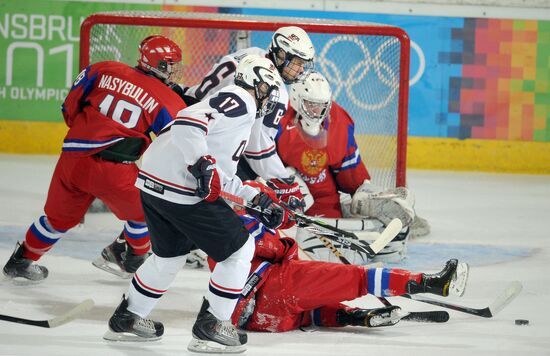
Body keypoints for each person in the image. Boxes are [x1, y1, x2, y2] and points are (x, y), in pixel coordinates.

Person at [103, 55, 292, 354]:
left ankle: (127, 318)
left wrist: (253, 197)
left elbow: (220, 175)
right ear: (258, 85)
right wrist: (200, 162)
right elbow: (187, 125)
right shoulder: (240, 98)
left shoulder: (236, 109)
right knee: (240, 249)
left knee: (168, 257)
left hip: (155, 184)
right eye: (270, 91)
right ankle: (213, 325)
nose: (270, 100)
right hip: (180, 189)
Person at [2, 35, 186, 282]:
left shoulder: (102, 69)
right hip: (113, 170)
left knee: (56, 220)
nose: (175, 71)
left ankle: (21, 260)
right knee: (147, 211)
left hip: (72, 159)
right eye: (171, 65)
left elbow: (69, 107)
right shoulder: (167, 99)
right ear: (160, 65)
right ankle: (129, 257)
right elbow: (175, 143)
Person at [210, 182, 469, 333]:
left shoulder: (214, 230)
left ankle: (354, 316)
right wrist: (282, 232)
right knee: (357, 278)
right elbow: (276, 250)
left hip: (262, 319)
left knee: (311, 310)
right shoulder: (241, 224)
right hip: (275, 287)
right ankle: (431, 282)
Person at [275, 71, 420, 263]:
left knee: (328, 237)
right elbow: (261, 165)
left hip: (324, 196)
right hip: (285, 195)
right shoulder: (277, 119)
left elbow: (349, 171)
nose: (316, 111)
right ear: (295, 99)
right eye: (310, 104)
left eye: (321, 105)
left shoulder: (339, 122)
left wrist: (362, 192)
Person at [173, 26, 315, 207]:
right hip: (211, 143)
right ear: (280, 55)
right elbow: (257, 148)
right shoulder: (274, 89)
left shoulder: (250, 54)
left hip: (190, 118)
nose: (301, 69)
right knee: (236, 198)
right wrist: (282, 181)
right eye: (297, 62)